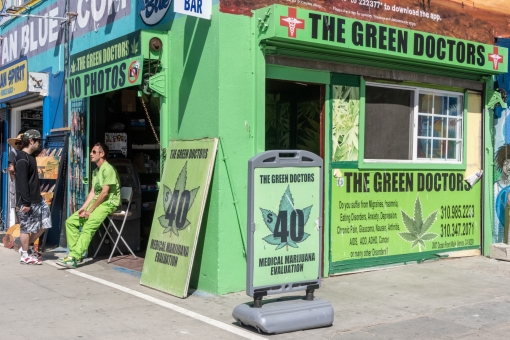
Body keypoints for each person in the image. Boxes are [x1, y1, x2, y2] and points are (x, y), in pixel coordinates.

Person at [57, 142, 120, 268]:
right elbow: (93, 192)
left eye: (94, 152)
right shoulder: (96, 171)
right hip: (97, 202)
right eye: (91, 152)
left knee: (88, 226)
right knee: (70, 222)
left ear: (102, 154)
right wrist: (83, 208)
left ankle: (73, 256)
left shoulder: (108, 169)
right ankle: (75, 255)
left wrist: (90, 210)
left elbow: (104, 193)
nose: (91, 154)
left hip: (108, 203)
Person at [15, 130, 52, 265]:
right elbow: (22, 182)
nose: (39, 144)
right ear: (31, 141)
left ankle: (26, 248)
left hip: (37, 198)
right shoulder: (22, 158)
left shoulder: (31, 157)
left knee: (45, 223)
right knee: (26, 227)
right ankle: (25, 255)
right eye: (38, 141)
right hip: (27, 200)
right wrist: (26, 202)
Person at [6, 132, 23, 228]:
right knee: (17, 206)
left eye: (20, 143)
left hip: (21, 182)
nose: (19, 145)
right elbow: (11, 169)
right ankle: (20, 226)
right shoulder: (14, 152)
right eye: (17, 143)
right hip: (16, 182)